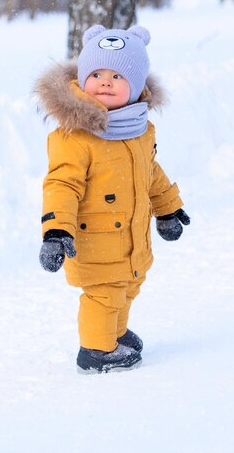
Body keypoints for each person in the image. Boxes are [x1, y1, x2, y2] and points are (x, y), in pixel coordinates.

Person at [35, 24, 190, 374]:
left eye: (117, 75)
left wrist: (168, 208)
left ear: (136, 87)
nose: (105, 81)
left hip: (132, 239)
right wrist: (56, 231)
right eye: (97, 74)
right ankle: (97, 349)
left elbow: (151, 173)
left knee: (127, 287)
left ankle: (114, 332)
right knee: (103, 294)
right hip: (95, 241)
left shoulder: (139, 129)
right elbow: (61, 184)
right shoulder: (75, 136)